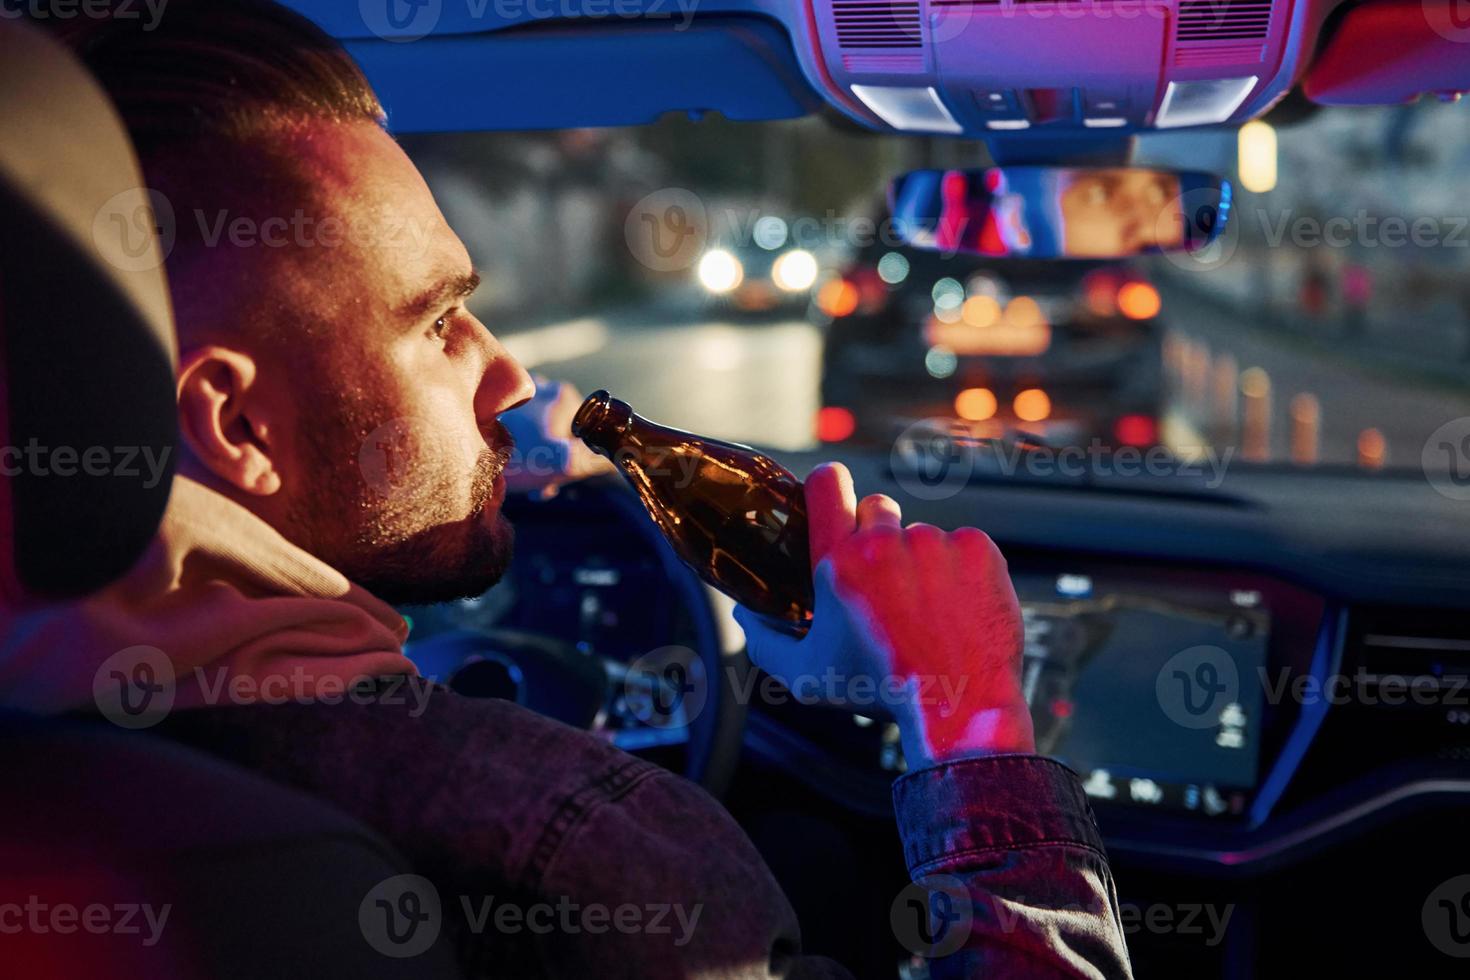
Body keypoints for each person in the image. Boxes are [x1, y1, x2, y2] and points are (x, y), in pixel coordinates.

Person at [0, 2, 1134, 976]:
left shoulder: (53, 743)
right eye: (438, 323)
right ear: (240, 424)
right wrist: (971, 713)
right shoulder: (581, 844)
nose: (509, 374)